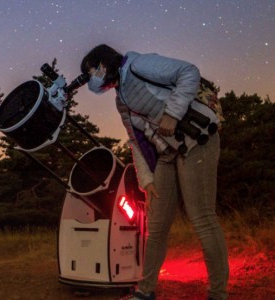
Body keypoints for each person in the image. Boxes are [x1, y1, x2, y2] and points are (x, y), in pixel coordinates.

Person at [81, 44, 229, 300]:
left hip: (197, 142)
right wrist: (146, 179)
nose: (92, 80)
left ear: (104, 65)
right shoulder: (121, 99)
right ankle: (145, 290)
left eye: (92, 72)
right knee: (156, 226)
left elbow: (189, 73)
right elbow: (134, 139)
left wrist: (172, 114)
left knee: (202, 218)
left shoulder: (139, 65)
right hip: (166, 153)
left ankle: (218, 293)